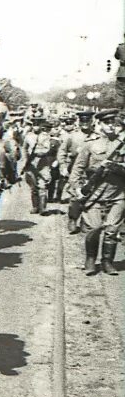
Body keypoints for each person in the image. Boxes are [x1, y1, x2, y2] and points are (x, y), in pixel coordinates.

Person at [70, 110, 125, 275]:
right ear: (99, 124)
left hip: (118, 194)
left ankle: (107, 262)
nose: (111, 126)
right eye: (107, 123)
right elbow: (77, 169)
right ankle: (90, 259)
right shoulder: (91, 145)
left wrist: (119, 168)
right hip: (93, 195)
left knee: (112, 230)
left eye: (114, 123)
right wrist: (76, 189)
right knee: (93, 228)